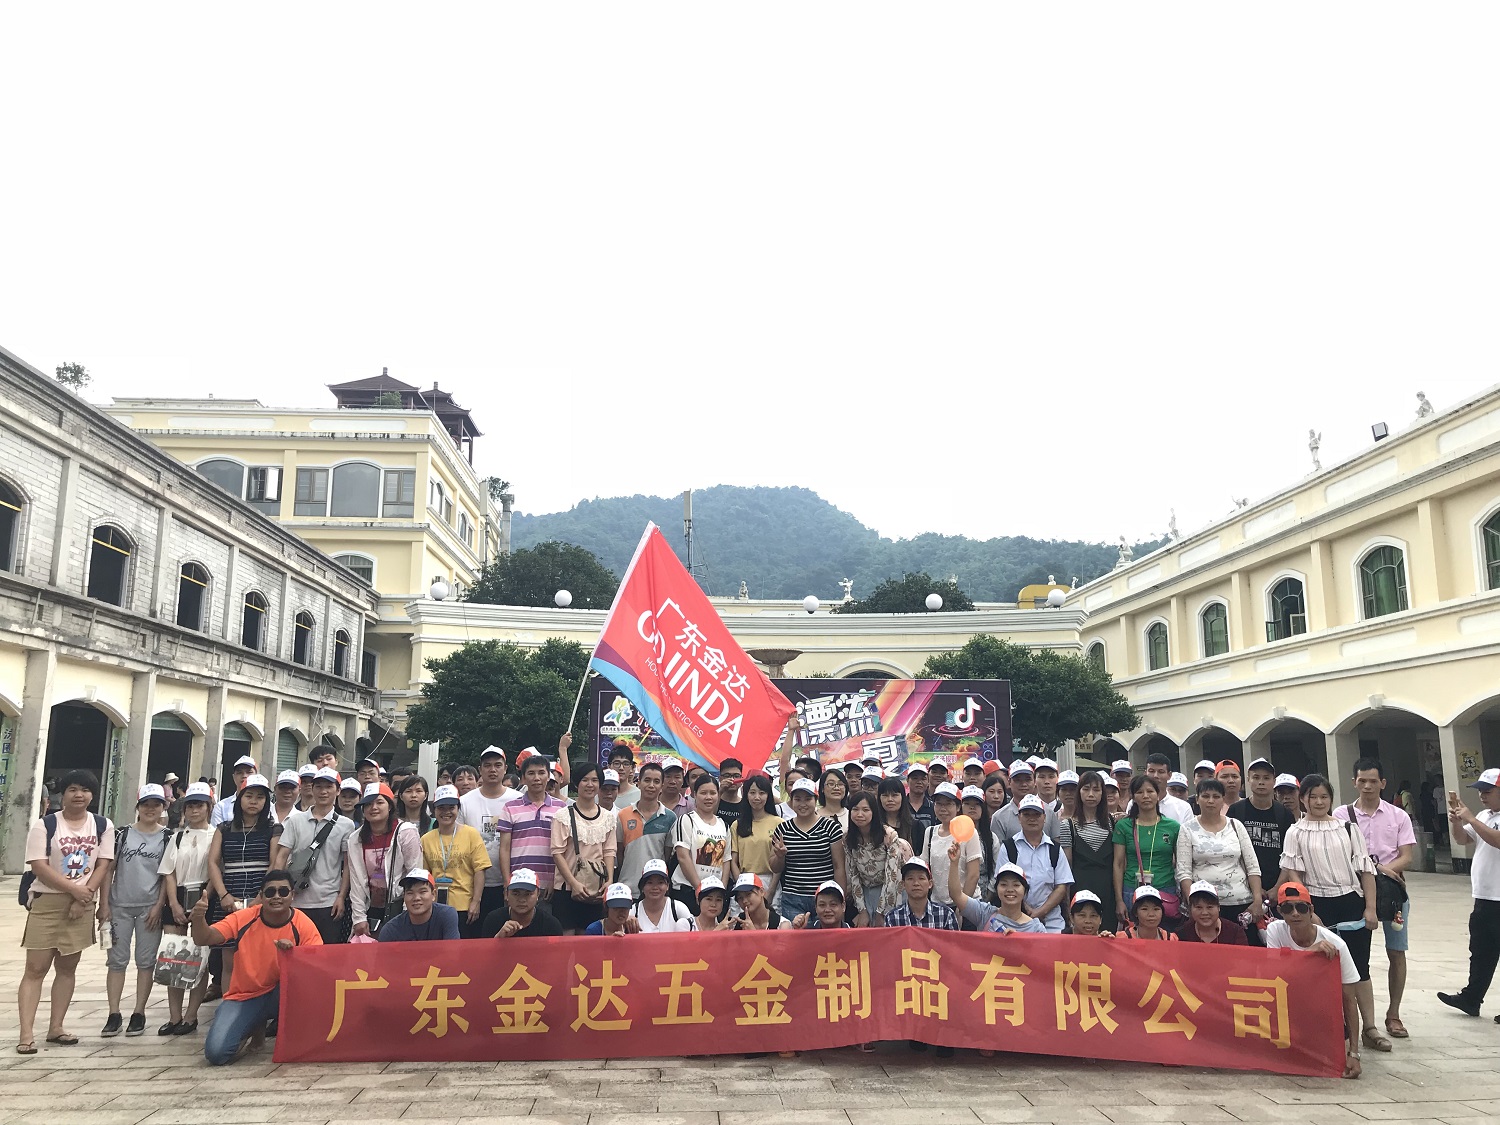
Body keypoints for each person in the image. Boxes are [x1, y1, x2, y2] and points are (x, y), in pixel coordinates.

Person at [1279, 773, 1381, 1054]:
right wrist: (1308, 910)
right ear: (1303, 799)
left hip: (1350, 901)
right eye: (1313, 796)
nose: (1319, 802)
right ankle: (1331, 1028)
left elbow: (1365, 870)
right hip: (1315, 903)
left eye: (1324, 796)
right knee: (1320, 968)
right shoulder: (1295, 832)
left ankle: (1370, 1028)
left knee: (1359, 967)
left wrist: (1370, 908)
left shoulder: (1348, 828)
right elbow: (1294, 873)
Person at [17, 769, 114, 1054]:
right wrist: (74, 891)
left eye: (85, 790)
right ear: (63, 793)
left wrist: (85, 897)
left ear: (92, 795)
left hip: (82, 904)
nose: (78, 795)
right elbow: (39, 865)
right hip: (48, 902)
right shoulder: (45, 825)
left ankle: (56, 1027)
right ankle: (26, 1034)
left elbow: (103, 864)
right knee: (35, 968)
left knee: (67, 967)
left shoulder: (102, 825)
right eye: (73, 789)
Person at [191, 869, 322, 1065]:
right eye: (270, 892)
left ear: (292, 895)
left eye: (283, 891)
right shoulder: (244, 918)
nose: (276, 897)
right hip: (246, 995)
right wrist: (198, 919)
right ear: (261, 896)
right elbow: (204, 938)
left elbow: (317, 966)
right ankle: (253, 1023)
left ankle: (266, 1024)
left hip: (283, 994)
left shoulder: (303, 924)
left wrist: (294, 954)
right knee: (216, 1053)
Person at [1334, 757, 1416, 1040]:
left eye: (1373, 781)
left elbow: (1406, 856)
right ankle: (1354, 1018)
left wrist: (1381, 871)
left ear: (1383, 783)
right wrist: (1372, 871)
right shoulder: (1341, 815)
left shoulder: (1398, 815)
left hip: (1392, 892)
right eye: (1362, 781)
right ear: (1354, 782)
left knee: (1397, 952)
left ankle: (1393, 1014)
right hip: (1354, 892)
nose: (1367, 786)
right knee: (1355, 955)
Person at [1264, 881, 1363, 1079]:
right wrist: (1309, 954)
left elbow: (1349, 1000)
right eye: (1288, 908)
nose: (1295, 914)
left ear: (1311, 910)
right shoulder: (1275, 930)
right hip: (1288, 1008)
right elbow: (1274, 974)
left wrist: (1354, 1053)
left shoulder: (1337, 945)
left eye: (1301, 908)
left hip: (1321, 1011)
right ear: (1280, 912)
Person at [101, 784, 170, 1038]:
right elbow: (108, 870)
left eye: (156, 804)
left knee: (146, 961)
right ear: (138, 807)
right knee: (116, 961)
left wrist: (159, 906)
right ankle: (114, 1013)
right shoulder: (122, 834)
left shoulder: (168, 837)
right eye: (146, 804)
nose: (151, 809)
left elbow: (167, 875)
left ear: (163, 807)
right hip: (119, 906)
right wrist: (104, 904)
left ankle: (139, 1012)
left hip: (149, 908)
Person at [205, 773, 280, 1000]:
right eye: (249, 796)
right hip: (229, 894)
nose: (254, 801)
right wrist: (223, 895)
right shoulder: (224, 828)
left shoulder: (273, 829)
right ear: (239, 798)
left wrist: (261, 896)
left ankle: (257, 1005)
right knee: (229, 957)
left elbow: (274, 864)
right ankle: (229, 1004)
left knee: (260, 956)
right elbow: (213, 862)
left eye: (260, 797)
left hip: (260, 896)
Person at [1438, 768, 1500, 1020]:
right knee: (1481, 951)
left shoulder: (1479, 818)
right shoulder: (1485, 815)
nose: (1482, 795)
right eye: (1480, 791)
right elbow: (1463, 839)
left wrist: (1471, 819)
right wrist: (1457, 822)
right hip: (1484, 896)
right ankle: (1471, 998)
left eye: (1488, 791)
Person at [269, 766, 354, 945]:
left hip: (328, 902)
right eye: (319, 787)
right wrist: (279, 890)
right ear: (311, 789)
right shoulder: (296, 820)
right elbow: (281, 856)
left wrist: (341, 897)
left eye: (329, 787)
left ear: (338, 791)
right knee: (294, 951)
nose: (323, 792)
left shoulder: (346, 825)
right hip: (296, 901)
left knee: (326, 954)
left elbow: (347, 865)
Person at [157, 782, 216, 1035]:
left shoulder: (215, 835)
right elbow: (168, 872)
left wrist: (204, 900)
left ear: (208, 807)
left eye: (199, 805)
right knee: (173, 958)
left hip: (204, 896)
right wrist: (173, 903)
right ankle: (174, 1016)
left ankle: (191, 1016)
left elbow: (216, 870)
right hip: (178, 896)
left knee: (199, 957)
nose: (194, 810)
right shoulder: (177, 836)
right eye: (190, 805)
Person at [1175, 777, 1263, 930]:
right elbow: (1183, 871)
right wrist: (1192, 903)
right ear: (1197, 799)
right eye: (1205, 796)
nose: (1211, 801)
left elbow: (1252, 866)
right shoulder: (1187, 829)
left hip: (1240, 903)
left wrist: (1257, 900)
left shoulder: (1236, 825)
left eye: (1216, 796)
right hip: (1204, 906)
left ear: (1223, 799)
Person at [1230, 758, 1297, 938]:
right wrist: (1254, 888)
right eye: (1256, 777)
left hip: (1276, 892)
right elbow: (1233, 854)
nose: (1261, 782)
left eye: (1266, 778)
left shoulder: (1284, 814)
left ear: (1273, 782)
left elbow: (1290, 855)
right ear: (1248, 780)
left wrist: (1277, 887)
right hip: (1244, 890)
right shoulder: (1236, 811)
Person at [346, 782, 422, 937]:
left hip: (399, 904)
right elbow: (356, 881)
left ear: (390, 806)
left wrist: (409, 913)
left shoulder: (406, 832)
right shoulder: (355, 839)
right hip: (371, 905)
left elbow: (415, 873)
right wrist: (359, 917)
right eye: (368, 804)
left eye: (379, 802)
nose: (373, 808)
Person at [551, 764, 618, 934]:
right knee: (566, 940)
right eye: (585, 780)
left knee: (589, 939)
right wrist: (574, 883)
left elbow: (609, 851)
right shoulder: (562, 816)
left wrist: (609, 880)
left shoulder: (608, 817)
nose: (590, 784)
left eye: (594, 780)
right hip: (566, 889)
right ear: (576, 784)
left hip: (595, 889)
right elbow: (557, 853)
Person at [1112, 775, 1182, 932]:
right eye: (1139, 792)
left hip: (1165, 890)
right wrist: (1119, 900)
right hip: (1132, 889)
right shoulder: (1124, 826)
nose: (1145, 796)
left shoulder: (1172, 827)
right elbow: (1118, 864)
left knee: (1164, 936)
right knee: (1134, 936)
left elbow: (1181, 863)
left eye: (1150, 791)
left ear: (1158, 795)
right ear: (1133, 797)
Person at [419, 784, 490, 937]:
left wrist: (476, 901)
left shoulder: (471, 834)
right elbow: (425, 875)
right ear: (434, 810)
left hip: (464, 905)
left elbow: (480, 870)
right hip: (435, 906)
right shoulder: (426, 839)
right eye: (441, 808)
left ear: (458, 809)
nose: (446, 812)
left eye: (451, 807)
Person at [460, 746, 522, 921]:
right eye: (487, 765)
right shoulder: (464, 802)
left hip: (510, 883)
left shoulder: (518, 800)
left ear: (505, 768)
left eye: (497, 765)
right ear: (480, 770)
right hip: (472, 884)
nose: (492, 770)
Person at [770, 778, 847, 919]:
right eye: (797, 799)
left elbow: (839, 866)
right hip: (793, 898)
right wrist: (780, 856)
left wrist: (840, 897)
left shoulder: (831, 827)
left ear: (816, 800)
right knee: (797, 933)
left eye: (808, 799)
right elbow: (775, 868)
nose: (802, 804)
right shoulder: (782, 829)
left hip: (825, 898)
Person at [1004, 794, 1074, 932]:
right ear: (1019, 818)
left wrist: (1040, 912)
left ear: (1044, 817)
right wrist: (1026, 910)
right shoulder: (1008, 847)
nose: (1032, 819)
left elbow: (1061, 886)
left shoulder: (1055, 849)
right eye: (1026, 814)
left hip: (1052, 923)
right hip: (1015, 921)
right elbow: (1003, 884)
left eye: (1036, 814)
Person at [946, 845, 1047, 933]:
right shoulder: (984, 913)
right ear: (996, 889)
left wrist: (1016, 939)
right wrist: (954, 863)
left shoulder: (1037, 929)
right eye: (1004, 884)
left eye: (1016, 885)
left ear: (1025, 890)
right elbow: (956, 895)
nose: (1010, 889)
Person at [845, 792, 909, 926]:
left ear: (874, 812)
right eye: (855, 809)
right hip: (866, 892)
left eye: (865, 810)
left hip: (892, 891)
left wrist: (881, 912)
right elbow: (853, 875)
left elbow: (891, 876)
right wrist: (862, 910)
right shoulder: (847, 838)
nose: (860, 814)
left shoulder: (889, 836)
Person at [671, 773, 733, 912]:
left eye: (713, 793)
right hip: (688, 891)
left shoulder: (724, 826)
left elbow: (726, 860)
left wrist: (722, 890)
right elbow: (683, 856)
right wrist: (699, 888)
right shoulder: (686, 820)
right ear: (694, 794)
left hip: (714, 895)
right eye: (703, 793)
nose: (708, 797)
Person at [1058, 770, 1116, 912]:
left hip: (1108, 889)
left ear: (1102, 794)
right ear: (1079, 792)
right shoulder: (1068, 825)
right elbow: (1067, 867)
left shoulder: (1112, 823)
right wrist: (1066, 901)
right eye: (1086, 789)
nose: (1091, 794)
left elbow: (1119, 862)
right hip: (1080, 888)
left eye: (1096, 790)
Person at [615, 761, 675, 892]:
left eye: (656, 781)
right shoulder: (623, 815)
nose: (651, 785)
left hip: (655, 890)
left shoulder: (670, 817)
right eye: (647, 780)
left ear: (662, 786)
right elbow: (619, 853)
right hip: (627, 887)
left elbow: (667, 855)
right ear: (639, 782)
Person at [922, 782, 980, 913]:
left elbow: (973, 875)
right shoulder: (930, 832)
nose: (943, 809)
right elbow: (926, 869)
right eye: (939, 804)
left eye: (948, 804)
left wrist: (962, 907)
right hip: (937, 905)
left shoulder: (969, 832)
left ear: (958, 807)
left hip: (967, 904)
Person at [730, 774, 782, 897]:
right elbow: (733, 860)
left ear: (768, 795)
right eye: (752, 792)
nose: (757, 797)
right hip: (744, 879)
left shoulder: (778, 823)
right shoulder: (737, 825)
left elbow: (779, 861)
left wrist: (771, 890)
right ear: (746, 795)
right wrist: (740, 884)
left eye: (762, 793)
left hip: (768, 881)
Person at [378, 869, 461, 941]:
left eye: (422, 892)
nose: (416, 898)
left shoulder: (446, 915)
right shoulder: (391, 930)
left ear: (433, 894)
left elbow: (452, 951)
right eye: (410, 893)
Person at [481, 869, 565, 938]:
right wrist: (499, 938)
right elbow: (485, 952)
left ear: (538, 894)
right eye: (516, 894)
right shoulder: (493, 920)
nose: (522, 900)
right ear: (506, 894)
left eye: (528, 894)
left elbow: (558, 953)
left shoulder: (551, 925)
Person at [990, 761, 1062, 841]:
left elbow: (1056, 844)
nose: (1024, 784)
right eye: (1018, 780)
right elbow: (998, 847)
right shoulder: (999, 817)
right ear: (1009, 782)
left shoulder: (1049, 813)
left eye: (1028, 780)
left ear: (1034, 782)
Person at [884, 856, 959, 930]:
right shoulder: (892, 918)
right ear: (903, 884)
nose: (916, 883)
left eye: (921, 878)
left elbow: (955, 938)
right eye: (910, 878)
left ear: (930, 884)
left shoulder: (945, 915)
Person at [630, 859, 695, 932]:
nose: (655, 887)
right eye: (650, 883)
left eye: (660, 883)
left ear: (667, 886)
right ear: (642, 887)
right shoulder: (632, 911)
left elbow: (694, 931)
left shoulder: (678, 908)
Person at [1179, 881, 1248, 944]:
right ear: (1190, 909)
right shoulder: (1182, 933)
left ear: (1218, 907)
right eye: (1199, 907)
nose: (1204, 913)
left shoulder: (1235, 932)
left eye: (1209, 907)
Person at [961, 786, 1000, 892]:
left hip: (984, 893)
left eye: (977, 804)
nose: (972, 808)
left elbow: (996, 869)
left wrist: (989, 894)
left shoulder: (992, 838)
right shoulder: (953, 835)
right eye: (967, 803)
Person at [1144, 753, 1194, 824]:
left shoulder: (1184, 807)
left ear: (1169, 775)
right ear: (1145, 773)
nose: (1155, 776)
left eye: (1161, 772)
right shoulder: (1135, 802)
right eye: (1151, 771)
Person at [211, 756, 258, 827]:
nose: (244, 776)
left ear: (256, 775)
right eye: (239, 772)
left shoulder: (268, 806)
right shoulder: (221, 807)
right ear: (234, 777)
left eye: (249, 772)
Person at [903, 762, 936, 847]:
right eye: (915, 778)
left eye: (923, 779)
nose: (919, 782)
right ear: (907, 780)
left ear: (928, 782)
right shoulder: (901, 806)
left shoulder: (934, 807)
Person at [608, 742, 642, 808]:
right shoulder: (600, 795)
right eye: (617, 763)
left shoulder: (639, 795)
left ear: (631, 768)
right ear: (609, 766)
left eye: (626, 764)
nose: (621, 768)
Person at [717, 758, 744, 833]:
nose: (732, 779)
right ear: (720, 778)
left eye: (736, 776)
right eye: (727, 775)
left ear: (741, 779)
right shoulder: (712, 801)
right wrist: (720, 791)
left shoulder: (746, 804)